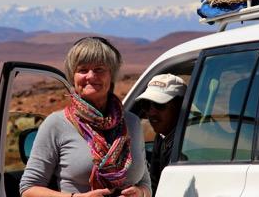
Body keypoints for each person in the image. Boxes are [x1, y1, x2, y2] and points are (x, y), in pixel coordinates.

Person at [20, 37, 151, 197]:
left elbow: (144, 182)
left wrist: (140, 193)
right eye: (82, 70)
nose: (90, 76)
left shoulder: (131, 122)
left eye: (99, 69)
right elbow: (28, 189)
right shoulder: (56, 124)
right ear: (72, 77)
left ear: (111, 75)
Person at [135, 74, 186, 196]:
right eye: (146, 105)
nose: (151, 112)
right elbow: (154, 184)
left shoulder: (186, 144)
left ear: (179, 106)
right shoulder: (163, 137)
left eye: (159, 105)